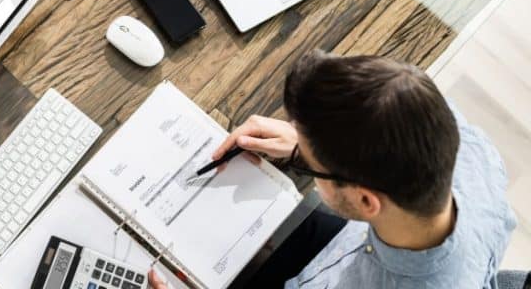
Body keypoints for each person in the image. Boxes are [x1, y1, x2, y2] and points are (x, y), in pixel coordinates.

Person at [148, 50, 516, 288]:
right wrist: (302, 145)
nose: (309, 166)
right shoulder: (471, 150)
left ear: (367, 201)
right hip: (339, 249)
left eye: (317, 169)